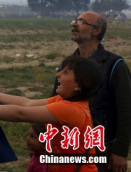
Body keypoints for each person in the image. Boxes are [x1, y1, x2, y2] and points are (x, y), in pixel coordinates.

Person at [0, 56, 103, 172]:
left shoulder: (69, 109)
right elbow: (27, 103)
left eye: (65, 72)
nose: (58, 74)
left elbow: (21, 113)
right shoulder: (65, 101)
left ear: (78, 85)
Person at [51, 12, 131, 172]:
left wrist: (120, 152)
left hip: (102, 149)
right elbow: (54, 103)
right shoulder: (67, 65)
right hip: (69, 147)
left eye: (82, 22)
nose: (74, 24)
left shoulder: (115, 65)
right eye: (75, 20)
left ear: (97, 31)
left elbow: (126, 109)